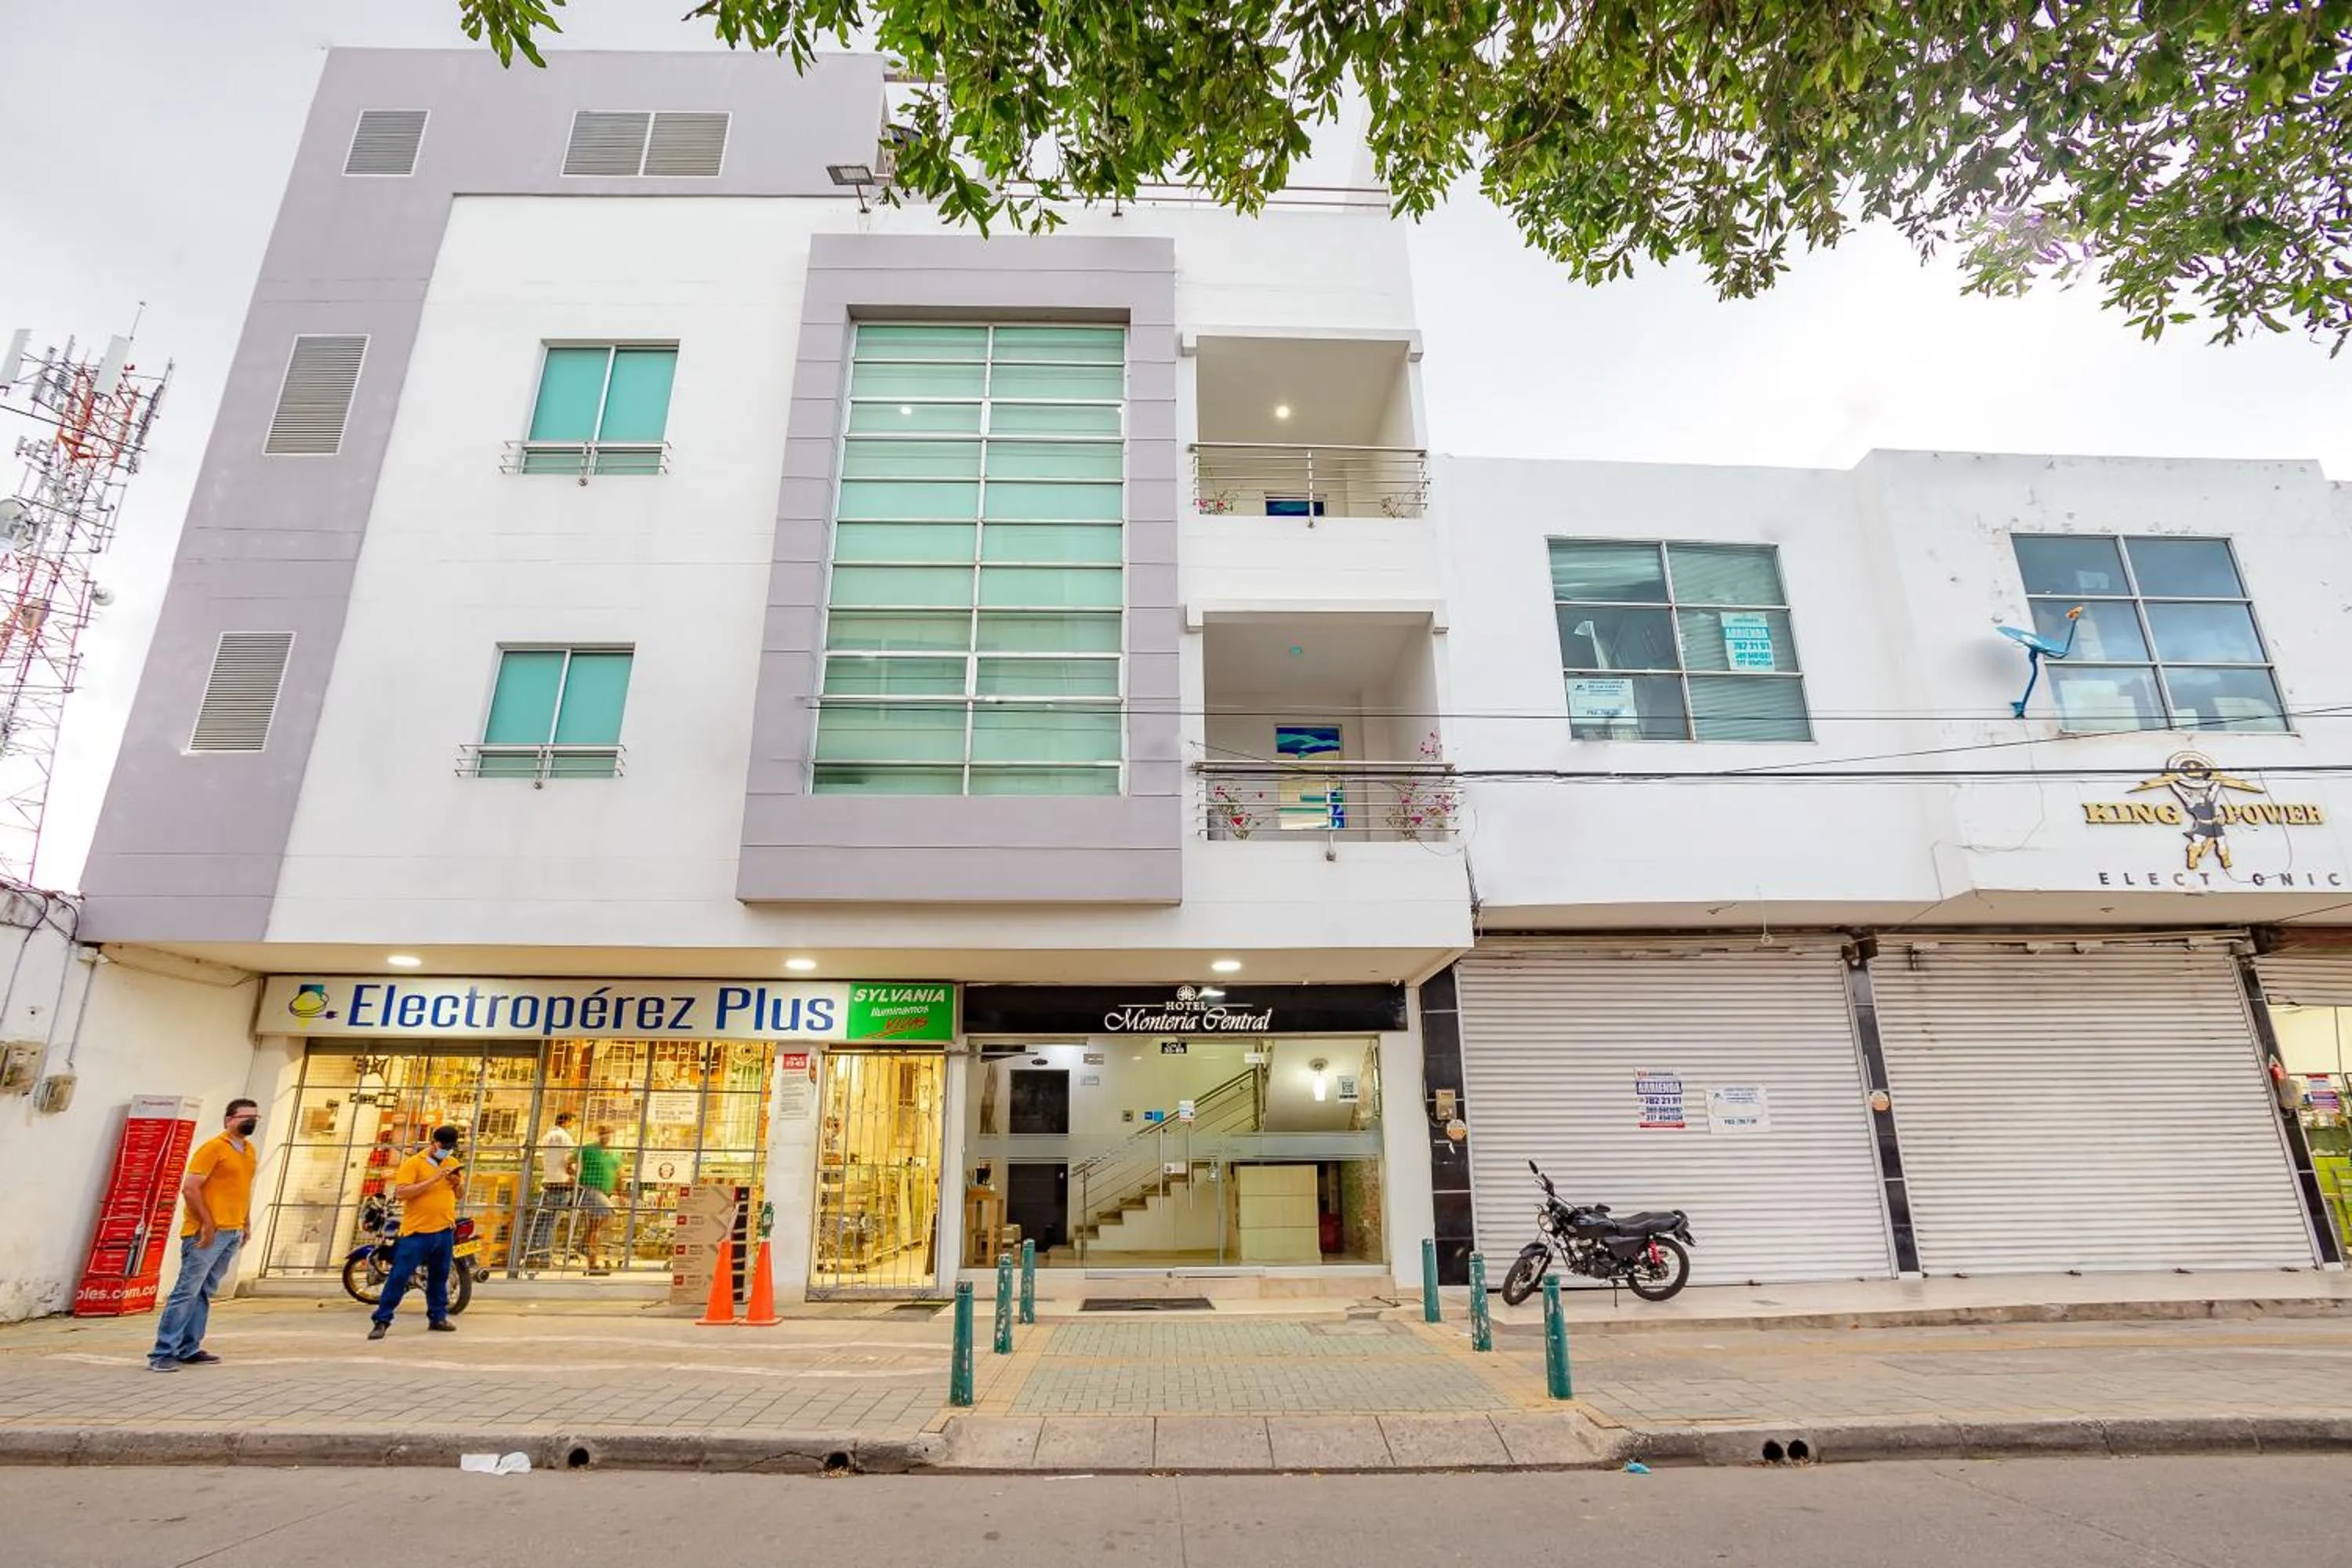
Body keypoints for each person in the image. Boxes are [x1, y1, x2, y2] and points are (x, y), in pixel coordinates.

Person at [147, 1098, 261, 1373]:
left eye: (256, 1118)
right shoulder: (213, 1149)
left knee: (204, 1292)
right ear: (228, 1120)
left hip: (231, 1231)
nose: (251, 1122)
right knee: (186, 1291)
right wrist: (207, 1223)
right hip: (206, 1233)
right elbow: (190, 1189)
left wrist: (245, 1223)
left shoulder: (248, 1150)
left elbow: (241, 1190)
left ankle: (189, 1347)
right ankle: (163, 1352)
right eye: (246, 1117)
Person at [368, 1124, 466, 1339]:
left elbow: (459, 1194)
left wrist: (456, 1183)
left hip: (444, 1230)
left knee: (439, 1277)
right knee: (399, 1276)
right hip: (416, 1233)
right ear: (434, 1143)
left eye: (451, 1147)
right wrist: (433, 1180)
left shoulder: (453, 1163)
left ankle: (438, 1316)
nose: (447, 1150)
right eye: (444, 1146)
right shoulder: (414, 1164)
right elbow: (402, 1192)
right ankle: (382, 1320)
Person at [528, 1111, 579, 1265]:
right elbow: (570, 1159)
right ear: (567, 1121)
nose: (573, 1126)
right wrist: (574, 1174)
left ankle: (532, 1255)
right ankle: (544, 1257)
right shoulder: (565, 1137)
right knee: (551, 1224)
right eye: (572, 1122)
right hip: (562, 1183)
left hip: (548, 1182)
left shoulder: (546, 1136)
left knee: (541, 1222)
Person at [575, 1124, 621, 1274]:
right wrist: (573, 1177)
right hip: (590, 1189)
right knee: (607, 1213)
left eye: (608, 1133)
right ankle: (584, 1247)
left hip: (605, 1192)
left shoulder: (615, 1154)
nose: (605, 1136)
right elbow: (569, 1160)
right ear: (598, 1134)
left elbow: (618, 1173)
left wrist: (620, 1192)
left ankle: (591, 1263)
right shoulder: (588, 1150)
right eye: (602, 1133)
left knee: (595, 1227)